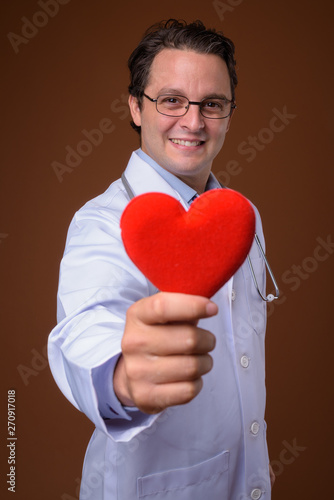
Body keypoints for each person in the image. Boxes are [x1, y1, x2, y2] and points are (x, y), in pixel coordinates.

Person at [48, 19, 275, 500]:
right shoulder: (102, 223)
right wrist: (123, 380)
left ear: (230, 115)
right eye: (171, 100)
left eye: (212, 104)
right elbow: (85, 327)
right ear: (136, 106)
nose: (193, 122)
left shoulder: (241, 214)